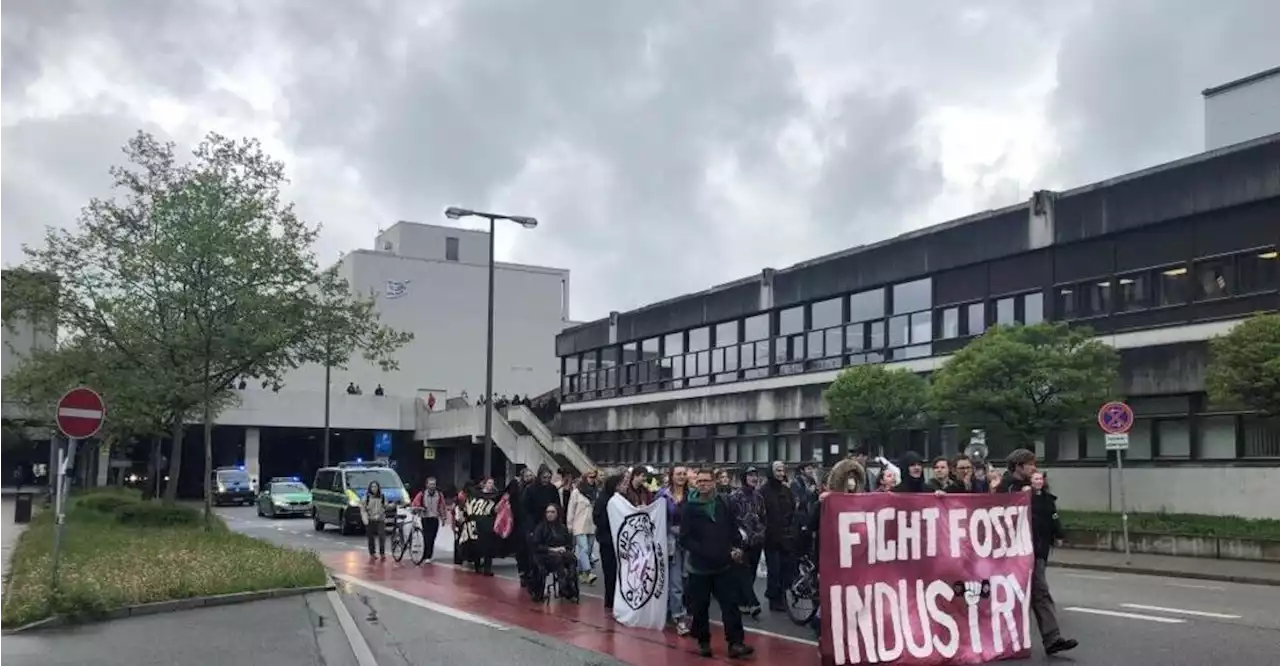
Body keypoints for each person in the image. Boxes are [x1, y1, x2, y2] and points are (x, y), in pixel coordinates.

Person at [1003, 450, 1078, 656]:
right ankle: (1035, 638)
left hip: (1036, 550)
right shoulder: (1007, 487)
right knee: (1032, 593)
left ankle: (1051, 638)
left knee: (1039, 593)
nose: (1033, 468)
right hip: (1016, 552)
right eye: (1029, 464)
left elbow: (1047, 513)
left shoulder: (1036, 489)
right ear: (1018, 466)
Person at [681, 468, 753, 659]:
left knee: (730, 605)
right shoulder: (689, 507)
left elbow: (732, 527)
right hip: (699, 566)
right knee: (700, 607)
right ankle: (703, 641)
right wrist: (702, 550)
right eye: (700, 481)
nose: (703, 484)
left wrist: (738, 546)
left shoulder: (723, 502)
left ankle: (736, 643)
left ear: (713, 482)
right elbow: (685, 538)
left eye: (706, 480)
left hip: (724, 564)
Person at [728, 467, 766, 617]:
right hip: (741, 541)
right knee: (742, 572)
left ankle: (743, 601)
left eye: (755, 475)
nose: (754, 478)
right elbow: (731, 518)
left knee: (751, 573)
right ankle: (752, 602)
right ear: (744, 478)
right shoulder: (735, 497)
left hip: (756, 540)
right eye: (750, 475)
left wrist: (761, 533)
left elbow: (763, 517)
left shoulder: (759, 497)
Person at [658, 465, 691, 634]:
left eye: (684, 474)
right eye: (678, 474)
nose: (682, 476)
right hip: (671, 543)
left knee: (686, 580)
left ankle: (672, 610)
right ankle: (679, 617)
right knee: (676, 581)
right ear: (671, 476)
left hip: (689, 543)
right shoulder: (663, 495)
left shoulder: (691, 495)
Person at [761, 461, 796, 613]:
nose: (781, 473)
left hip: (786, 536)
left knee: (786, 569)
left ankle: (781, 595)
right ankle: (774, 598)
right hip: (771, 537)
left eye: (782, 470)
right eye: (777, 470)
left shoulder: (787, 490)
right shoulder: (764, 491)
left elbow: (793, 509)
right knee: (774, 570)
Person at [530, 503, 580, 602]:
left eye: (552, 512)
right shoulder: (541, 528)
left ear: (557, 514)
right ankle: (564, 586)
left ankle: (570, 584)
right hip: (545, 555)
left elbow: (569, 544)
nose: (550, 514)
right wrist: (552, 549)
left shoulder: (562, 528)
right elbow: (536, 545)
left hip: (561, 553)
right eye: (548, 512)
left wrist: (564, 548)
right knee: (558, 558)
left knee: (571, 558)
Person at [593, 472, 624, 612]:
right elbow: (598, 519)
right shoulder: (603, 499)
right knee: (609, 571)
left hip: (618, 539)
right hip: (607, 540)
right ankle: (610, 600)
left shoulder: (620, 498)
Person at [565, 469, 599, 585]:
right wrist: (569, 524)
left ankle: (580, 572)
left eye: (594, 477)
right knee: (583, 548)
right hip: (578, 524)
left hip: (591, 525)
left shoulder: (596, 492)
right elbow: (571, 508)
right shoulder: (576, 492)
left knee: (589, 550)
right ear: (585, 478)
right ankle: (588, 572)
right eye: (590, 477)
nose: (592, 479)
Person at [464, 477, 504, 576]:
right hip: (477, 521)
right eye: (489, 483)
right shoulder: (477, 494)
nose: (491, 485)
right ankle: (478, 566)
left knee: (489, 546)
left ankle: (487, 569)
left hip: (489, 521)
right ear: (485, 484)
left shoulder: (494, 495)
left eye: (492, 483)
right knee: (478, 545)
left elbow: (496, 509)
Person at [410, 476, 448, 563]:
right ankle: (426, 555)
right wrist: (419, 508)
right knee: (427, 537)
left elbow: (442, 506)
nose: (432, 486)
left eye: (434, 484)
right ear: (426, 485)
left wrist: (443, 518)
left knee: (432, 538)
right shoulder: (422, 494)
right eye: (430, 484)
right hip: (425, 518)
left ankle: (429, 555)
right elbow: (415, 503)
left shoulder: (439, 494)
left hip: (435, 518)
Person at [361, 481, 389, 560]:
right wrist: (365, 520)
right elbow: (363, 509)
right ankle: (372, 553)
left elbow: (385, 507)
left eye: (375, 487)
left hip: (380, 518)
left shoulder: (382, 497)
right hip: (370, 519)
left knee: (381, 536)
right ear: (370, 488)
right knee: (371, 537)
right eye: (372, 487)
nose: (374, 488)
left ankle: (382, 553)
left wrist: (393, 505)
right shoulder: (366, 497)